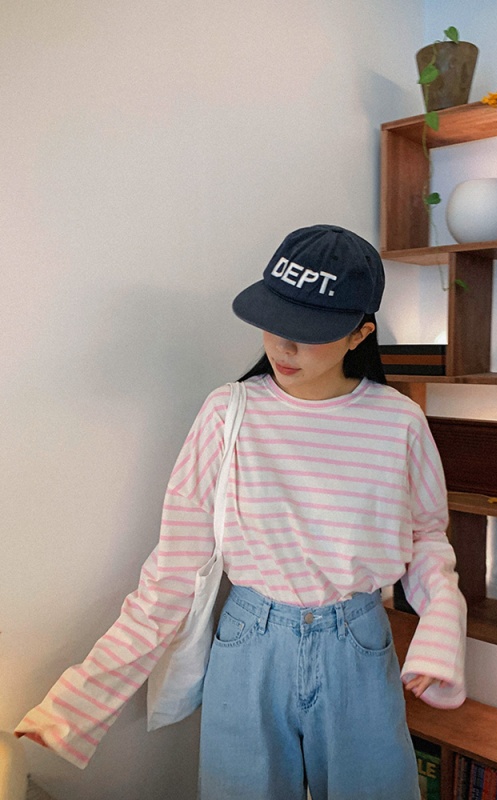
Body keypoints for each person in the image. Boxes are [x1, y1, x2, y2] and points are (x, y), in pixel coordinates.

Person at [15, 224, 466, 800]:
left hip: (357, 643)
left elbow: (426, 537)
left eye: (307, 332)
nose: (283, 346)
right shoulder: (227, 414)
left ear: (360, 334)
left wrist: (441, 622)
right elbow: (174, 572)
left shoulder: (399, 422)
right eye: (274, 321)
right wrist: (77, 704)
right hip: (251, 643)